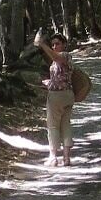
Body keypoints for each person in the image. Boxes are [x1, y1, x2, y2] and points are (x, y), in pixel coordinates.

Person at [42, 31, 75, 166]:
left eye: (58, 44)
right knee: (65, 124)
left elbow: (57, 57)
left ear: (64, 44)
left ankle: (53, 157)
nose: (55, 46)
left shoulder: (64, 56)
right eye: (53, 45)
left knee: (53, 125)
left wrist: (42, 45)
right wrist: (49, 82)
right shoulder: (60, 59)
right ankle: (66, 158)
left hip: (57, 96)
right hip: (67, 95)